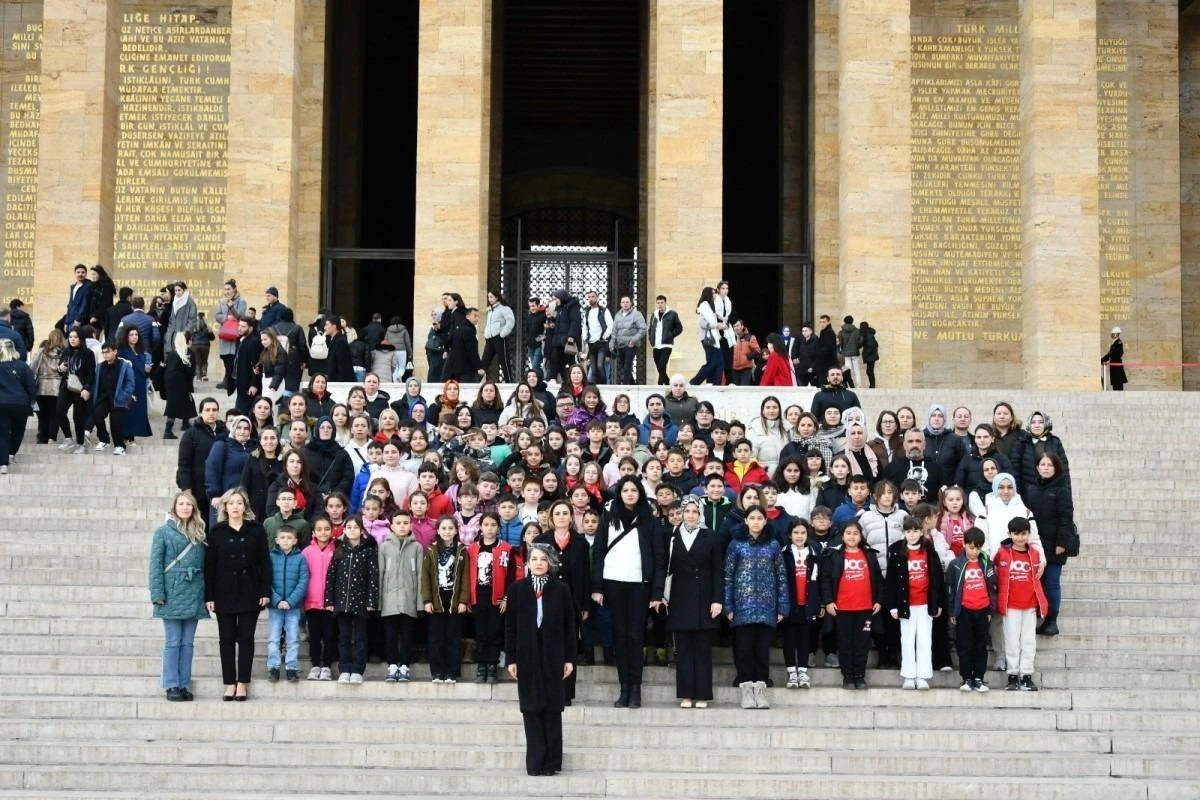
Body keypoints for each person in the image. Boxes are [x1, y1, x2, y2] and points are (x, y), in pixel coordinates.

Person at [590, 476, 666, 708]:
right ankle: (624, 688)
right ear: (619, 493)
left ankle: (636, 689)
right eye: (625, 490)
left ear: (640, 493)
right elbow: (599, 551)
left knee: (635, 636)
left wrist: (657, 591)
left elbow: (659, 557)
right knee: (620, 637)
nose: (630, 494)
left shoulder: (649, 520)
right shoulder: (608, 516)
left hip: (639, 585)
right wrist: (597, 587)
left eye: (634, 490)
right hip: (613, 583)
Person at [505, 543, 577, 777]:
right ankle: (534, 762)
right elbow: (510, 628)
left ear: (550, 563)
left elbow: (570, 626)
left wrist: (569, 658)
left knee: (553, 708)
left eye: (543, 559)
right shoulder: (517, 589)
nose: (538, 563)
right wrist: (512, 658)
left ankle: (552, 762)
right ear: (527, 562)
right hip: (526, 655)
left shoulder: (561, 589)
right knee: (531, 708)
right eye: (534, 559)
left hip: (554, 655)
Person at [204, 487, 269, 701]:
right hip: (224, 591)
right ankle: (229, 682)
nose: (235, 506)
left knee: (246, 639)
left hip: (250, 590)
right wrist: (209, 596)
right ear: (224, 506)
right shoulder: (217, 532)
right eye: (231, 503)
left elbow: (264, 562)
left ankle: (243, 683)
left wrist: (264, 591)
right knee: (226, 639)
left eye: (239, 503)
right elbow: (210, 565)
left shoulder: (256, 530)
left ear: (245, 506)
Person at [723, 506, 787, 709]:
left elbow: (782, 577)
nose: (756, 522)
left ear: (765, 521)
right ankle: (747, 690)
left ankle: (760, 689)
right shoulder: (736, 544)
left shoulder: (774, 545)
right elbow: (728, 576)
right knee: (744, 650)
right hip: (742, 607)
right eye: (752, 518)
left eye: (760, 518)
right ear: (746, 521)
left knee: (761, 650)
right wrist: (728, 605)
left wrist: (782, 606)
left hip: (767, 607)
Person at [149, 492, 208, 701]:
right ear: (174, 507)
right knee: (173, 641)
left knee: (188, 643)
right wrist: (157, 593)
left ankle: (184, 683)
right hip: (172, 591)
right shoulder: (163, 532)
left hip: (194, 591)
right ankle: (171, 684)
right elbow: (155, 565)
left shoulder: (200, 532)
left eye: (188, 504)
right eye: (181, 504)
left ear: (194, 508)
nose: (185, 508)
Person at [665, 496, 723, 707]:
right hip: (679, 597)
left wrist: (717, 600)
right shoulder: (672, 536)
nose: (690, 515)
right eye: (686, 511)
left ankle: (702, 695)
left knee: (702, 650)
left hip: (705, 597)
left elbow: (718, 570)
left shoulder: (711, 536)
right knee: (684, 650)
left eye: (694, 512)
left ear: (700, 514)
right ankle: (687, 694)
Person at [820, 519, 882, 690]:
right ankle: (848, 677)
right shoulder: (834, 555)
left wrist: (878, 600)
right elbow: (824, 580)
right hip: (842, 609)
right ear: (842, 535)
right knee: (845, 643)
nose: (852, 536)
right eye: (848, 533)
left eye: (856, 533)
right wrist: (828, 602)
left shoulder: (869, 554)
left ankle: (859, 676)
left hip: (865, 608)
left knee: (862, 644)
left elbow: (878, 579)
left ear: (861, 535)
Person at [886, 515, 945, 691]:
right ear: (904, 533)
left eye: (915, 531)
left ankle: (923, 676)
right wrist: (893, 605)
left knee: (925, 640)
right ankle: (909, 676)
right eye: (908, 531)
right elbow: (891, 581)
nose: (912, 535)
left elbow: (937, 579)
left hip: (925, 604)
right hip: (906, 604)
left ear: (921, 532)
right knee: (907, 640)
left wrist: (938, 603)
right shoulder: (897, 553)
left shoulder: (929, 552)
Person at [1023, 453, 1076, 637]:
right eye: (1042, 464)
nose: (1045, 467)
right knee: (1038, 579)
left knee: (1052, 582)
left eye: (1049, 465)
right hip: (1036, 543)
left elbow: (1066, 518)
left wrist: (1062, 542)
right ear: (1037, 467)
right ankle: (1040, 612)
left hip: (1055, 544)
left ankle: (1052, 621)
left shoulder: (1062, 490)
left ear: (1056, 468)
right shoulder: (1031, 489)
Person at [325, 516, 379, 683]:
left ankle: (357, 669)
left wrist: (372, 601)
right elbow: (331, 577)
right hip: (342, 602)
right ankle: (344, 668)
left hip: (361, 603)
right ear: (345, 530)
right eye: (349, 527)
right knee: (344, 637)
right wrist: (329, 600)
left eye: (356, 527)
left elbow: (373, 577)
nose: (352, 530)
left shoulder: (368, 552)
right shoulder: (339, 551)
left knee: (360, 637)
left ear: (361, 530)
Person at [995, 517, 1047, 691]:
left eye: (1023, 534)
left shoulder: (1035, 554)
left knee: (1028, 641)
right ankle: (1012, 675)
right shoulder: (1001, 553)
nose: (1019, 538)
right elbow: (995, 573)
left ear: (1029, 534)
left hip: (1030, 604)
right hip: (1010, 605)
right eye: (1016, 534)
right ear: (1009, 534)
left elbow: (1038, 578)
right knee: (1011, 641)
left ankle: (1026, 676)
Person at [946, 526, 997, 692]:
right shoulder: (955, 565)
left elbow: (993, 587)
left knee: (980, 645)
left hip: (982, 610)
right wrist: (952, 611)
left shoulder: (987, 563)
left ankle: (979, 678)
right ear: (964, 544)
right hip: (964, 610)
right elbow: (951, 589)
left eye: (978, 548)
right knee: (964, 645)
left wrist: (990, 609)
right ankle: (966, 678)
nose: (974, 551)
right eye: (971, 547)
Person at [421, 515, 470, 682]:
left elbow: (465, 577)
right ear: (438, 531)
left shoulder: (462, 551)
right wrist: (427, 600)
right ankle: (437, 671)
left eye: (450, 528)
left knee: (453, 636)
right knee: (436, 638)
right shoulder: (431, 550)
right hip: (436, 598)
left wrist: (463, 600)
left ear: (456, 530)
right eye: (444, 528)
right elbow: (425, 577)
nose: (447, 532)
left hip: (454, 598)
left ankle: (452, 671)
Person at [468, 512, 516, 684]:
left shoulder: (506, 548)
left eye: (493, 525)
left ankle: (492, 666)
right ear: (480, 527)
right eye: (486, 525)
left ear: (498, 527)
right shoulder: (472, 549)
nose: (489, 528)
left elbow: (511, 576)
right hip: (478, 597)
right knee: (481, 633)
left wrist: (506, 598)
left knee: (495, 632)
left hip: (497, 598)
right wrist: (467, 598)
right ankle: (481, 665)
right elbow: (467, 575)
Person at [379, 509, 424, 683]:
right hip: (389, 600)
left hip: (408, 599)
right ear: (392, 526)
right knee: (390, 635)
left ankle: (404, 665)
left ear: (410, 525)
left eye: (405, 523)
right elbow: (381, 573)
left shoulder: (417, 547)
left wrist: (419, 602)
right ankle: (392, 665)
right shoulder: (384, 547)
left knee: (407, 635)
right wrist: (378, 602)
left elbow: (420, 575)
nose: (402, 526)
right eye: (398, 523)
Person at [780, 519, 822, 689]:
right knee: (789, 639)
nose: (799, 536)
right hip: (789, 605)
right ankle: (791, 672)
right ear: (790, 535)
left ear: (807, 534)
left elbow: (819, 581)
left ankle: (803, 671)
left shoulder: (814, 554)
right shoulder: (783, 554)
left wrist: (820, 604)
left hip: (808, 604)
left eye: (803, 533)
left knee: (805, 639)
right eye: (796, 532)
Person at [266, 525, 310, 682]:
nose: (285, 540)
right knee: (274, 638)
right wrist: (277, 600)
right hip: (275, 606)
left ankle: (291, 668)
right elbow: (266, 581)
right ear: (277, 540)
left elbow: (303, 581)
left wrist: (291, 601)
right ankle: (274, 667)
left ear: (295, 540)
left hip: (293, 607)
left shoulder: (300, 558)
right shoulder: (270, 557)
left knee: (292, 638)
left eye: (289, 538)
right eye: (282, 537)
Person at [205, 415, 255, 528]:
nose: (242, 431)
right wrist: (214, 494)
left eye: (246, 428)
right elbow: (212, 468)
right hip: (223, 499)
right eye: (238, 427)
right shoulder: (222, 445)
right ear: (233, 428)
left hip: (246, 500)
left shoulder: (254, 448)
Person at [91, 341, 136, 457]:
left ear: (115, 352)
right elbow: (95, 382)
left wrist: (124, 395)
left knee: (115, 423)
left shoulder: (124, 365)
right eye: (103, 352)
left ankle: (119, 446)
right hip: (104, 397)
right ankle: (104, 440)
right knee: (97, 415)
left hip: (118, 398)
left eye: (108, 352)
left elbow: (130, 383)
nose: (105, 355)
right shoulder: (100, 366)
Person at [0, 338, 35, 474]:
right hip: (20, 404)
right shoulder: (22, 366)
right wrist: (31, 400)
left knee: (2, 434)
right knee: (18, 430)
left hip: (1, 403)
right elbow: (31, 386)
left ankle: (3, 464)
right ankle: (11, 454)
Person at [116, 326, 152, 441]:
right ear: (126, 336)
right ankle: (126, 435)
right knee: (129, 411)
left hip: (141, 385)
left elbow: (143, 370)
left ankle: (133, 435)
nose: (134, 337)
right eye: (131, 334)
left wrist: (147, 370)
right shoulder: (122, 351)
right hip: (128, 385)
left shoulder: (141, 351)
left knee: (138, 411)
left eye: (136, 334)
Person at [29, 329, 65, 445]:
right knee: (54, 414)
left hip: (42, 386)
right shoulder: (65, 352)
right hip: (57, 386)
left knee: (42, 414)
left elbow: (33, 366)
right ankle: (51, 437)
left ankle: (42, 437)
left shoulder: (41, 351)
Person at [213, 280, 247, 391]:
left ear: (234, 289)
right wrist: (226, 318)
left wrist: (232, 307)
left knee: (233, 358)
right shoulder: (222, 302)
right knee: (225, 357)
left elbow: (241, 316)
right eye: (225, 289)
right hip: (225, 333)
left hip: (235, 333)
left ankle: (228, 380)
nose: (227, 291)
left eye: (229, 289)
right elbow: (217, 315)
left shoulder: (241, 301)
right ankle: (228, 378)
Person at [162, 332, 196, 440]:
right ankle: (167, 431)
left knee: (186, 402)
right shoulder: (189, 353)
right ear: (188, 341)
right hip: (181, 383)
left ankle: (185, 423)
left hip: (170, 383)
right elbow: (190, 372)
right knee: (174, 407)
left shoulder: (172, 353)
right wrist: (190, 387)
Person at [691, 287, 724, 386]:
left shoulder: (710, 306)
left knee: (719, 363)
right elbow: (702, 323)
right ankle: (694, 382)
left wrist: (720, 326)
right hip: (708, 339)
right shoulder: (704, 306)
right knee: (713, 362)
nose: (715, 295)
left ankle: (714, 383)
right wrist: (715, 325)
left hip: (714, 338)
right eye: (713, 293)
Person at [580, 290, 614, 384]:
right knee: (593, 369)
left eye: (593, 296)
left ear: (597, 298)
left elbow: (611, 325)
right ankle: (595, 386)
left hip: (601, 343)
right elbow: (585, 326)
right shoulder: (587, 311)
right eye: (589, 297)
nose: (591, 298)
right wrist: (585, 337)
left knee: (600, 365)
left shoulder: (604, 310)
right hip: (591, 343)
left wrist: (604, 336)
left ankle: (603, 384)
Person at [610, 295, 646, 385]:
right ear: (620, 304)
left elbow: (643, 329)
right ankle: (633, 385)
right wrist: (612, 344)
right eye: (623, 302)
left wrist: (633, 340)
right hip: (620, 345)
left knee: (627, 366)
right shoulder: (617, 315)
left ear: (631, 303)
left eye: (627, 302)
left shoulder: (636, 314)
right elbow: (614, 331)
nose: (625, 304)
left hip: (631, 345)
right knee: (624, 366)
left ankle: (624, 386)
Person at [648, 295, 683, 385]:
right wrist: (651, 338)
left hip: (666, 345)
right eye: (658, 303)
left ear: (665, 303)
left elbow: (679, 328)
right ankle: (668, 383)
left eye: (662, 303)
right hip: (656, 345)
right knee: (659, 368)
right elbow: (651, 328)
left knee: (662, 365)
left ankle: (659, 384)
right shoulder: (654, 314)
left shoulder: (672, 314)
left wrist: (670, 335)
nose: (660, 305)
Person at [480, 291, 515, 381]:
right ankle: (477, 381)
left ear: (497, 297)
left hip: (499, 338)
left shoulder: (504, 308)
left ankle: (509, 381)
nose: (489, 299)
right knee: (484, 361)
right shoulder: (490, 310)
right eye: (488, 297)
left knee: (504, 361)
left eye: (491, 297)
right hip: (490, 339)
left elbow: (510, 321)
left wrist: (502, 334)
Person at [230, 317, 261, 415]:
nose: (239, 328)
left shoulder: (254, 342)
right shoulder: (241, 340)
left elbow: (257, 364)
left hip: (248, 386)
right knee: (240, 412)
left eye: (243, 326)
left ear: (251, 328)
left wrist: (254, 384)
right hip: (240, 383)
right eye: (239, 325)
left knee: (242, 413)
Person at [164, 282, 198, 352]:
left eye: (179, 290)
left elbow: (192, 321)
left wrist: (185, 334)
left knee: (181, 358)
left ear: (184, 290)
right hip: (171, 336)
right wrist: (168, 333)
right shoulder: (175, 301)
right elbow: (171, 320)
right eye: (175, 290)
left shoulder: (190, 302)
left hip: (182, 337)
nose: (177, 292)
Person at [64, 264, 93, 332]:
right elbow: (70, 305)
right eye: (78, 272)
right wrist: (66, 322)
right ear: (75, 273)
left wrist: (78, 319)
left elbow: (85, 305)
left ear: (86, 274)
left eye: (83, 272)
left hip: (80, 321)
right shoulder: (73, 287)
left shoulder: (89, 286)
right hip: (71, 320)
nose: (80, 274)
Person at [837, 315, 863, 388]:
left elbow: (840, 342)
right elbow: (861, 341)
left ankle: (848, 385)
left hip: (846, 353)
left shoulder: (841, 332)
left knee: (847, 371)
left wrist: (843, 349)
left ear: (844, 321)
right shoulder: (857, 331)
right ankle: (859, 385)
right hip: (855, 353)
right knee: (857, 370)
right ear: (852, 321)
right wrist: (857, 347)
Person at [1101, 325, 1127, 390]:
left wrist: (1110, 358)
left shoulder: (1118, 342)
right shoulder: (1114, 343)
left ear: (1117, 334)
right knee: (1115, 384)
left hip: (1117, 366)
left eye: (1113, 333)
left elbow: (1119, 353)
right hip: (1114, 366)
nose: (1112, 335)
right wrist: (1102, 360)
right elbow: (1109, 354)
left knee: (1118, 384)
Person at [860, 320, 879, 388]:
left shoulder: (867, 334)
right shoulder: (869, 333)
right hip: (872, 355)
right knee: (869, 371)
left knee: (869, 371)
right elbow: (875, 344)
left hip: (870, 355)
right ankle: (872, 385)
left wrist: (866, 354)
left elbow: (871, 345)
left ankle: (872, 385)